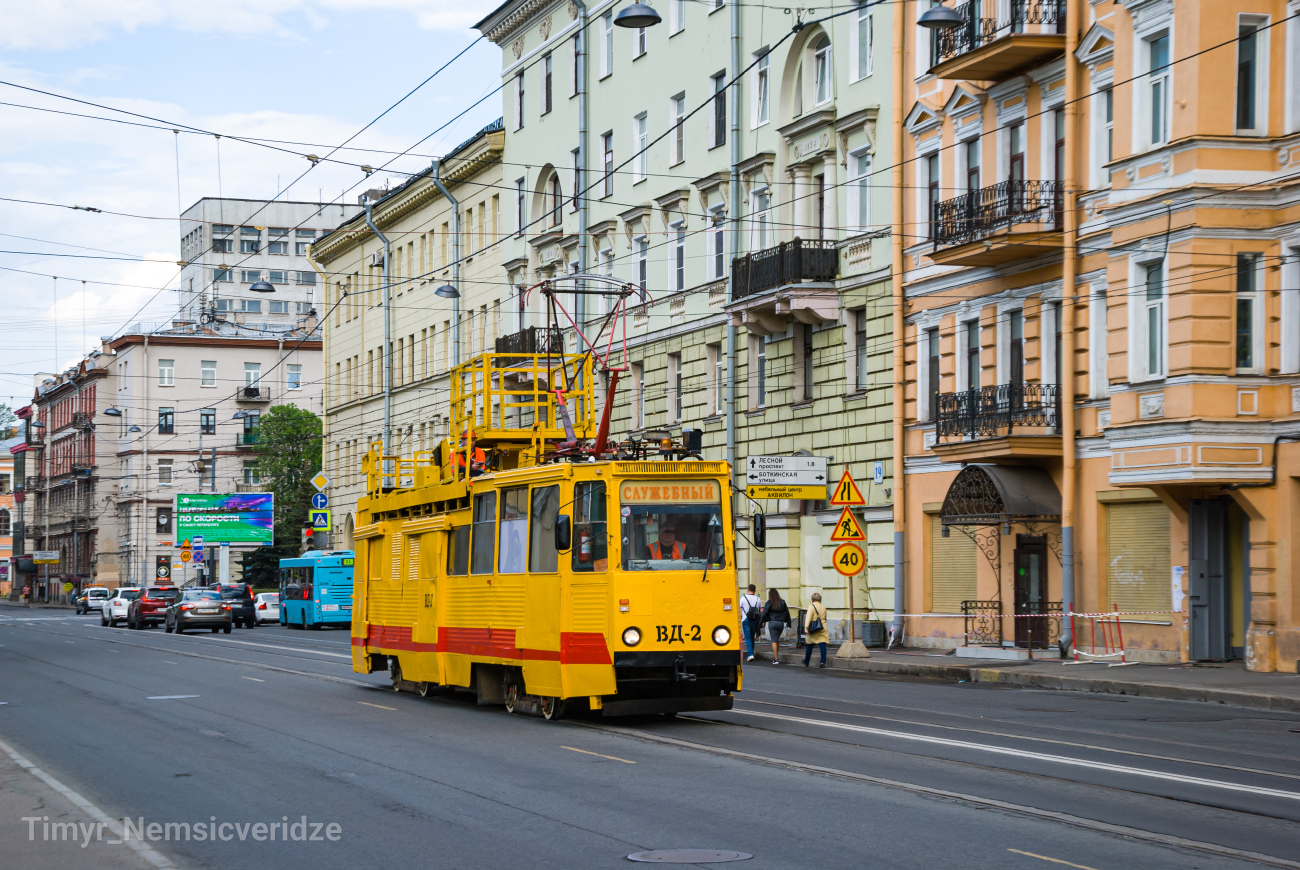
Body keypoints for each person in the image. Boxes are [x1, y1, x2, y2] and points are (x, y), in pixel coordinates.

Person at [759, 588, 790, 665]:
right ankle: (776, 656)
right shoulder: (782, 602)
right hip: (780, 623)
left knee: (773, 640)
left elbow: (764, 613)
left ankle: (776, 659)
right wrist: (788, 622)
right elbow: (787, 612)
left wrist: (761, 622)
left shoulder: (769, 603)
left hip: (772, 623)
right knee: (777, 640)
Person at [803, 592, 830, 668]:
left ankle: (806, 661)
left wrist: (806, 628)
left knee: (809, 644)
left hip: (814, 628)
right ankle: (822, 662)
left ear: (812, 599)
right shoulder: (823, 607)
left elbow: (808, 618)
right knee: (822, 645)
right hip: (822, 627)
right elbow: (825, 618)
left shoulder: (811, 606)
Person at [739, 584, 763, 662]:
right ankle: (751, 653)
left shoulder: (743, 598)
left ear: (747, 589)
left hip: (745, 620)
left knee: (748, 638)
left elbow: (739, 610)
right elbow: (761, 610)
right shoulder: (758, 599)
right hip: (755, 620)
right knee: (752, 637)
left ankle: (750, 655)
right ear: (755, 590)